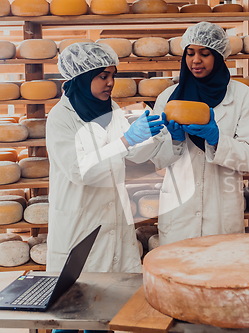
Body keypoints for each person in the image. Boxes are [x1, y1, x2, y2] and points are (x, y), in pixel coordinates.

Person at [45, 43, 164, 333]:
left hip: (113, 225)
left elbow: (133, 153)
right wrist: (125, 142)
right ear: (80, 79)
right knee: (70, 313)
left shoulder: (110, 109)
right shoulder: (61, 119)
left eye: (113, 74)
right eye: (102, 76)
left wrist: (157, 137)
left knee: (107, 312)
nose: (111, 82)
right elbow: (80, 169)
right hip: (79, 225)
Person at [151, 22, 249, 245]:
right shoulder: (168, 98)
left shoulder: (243, 97)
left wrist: (216, 140)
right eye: (190, 53)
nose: (195, 60)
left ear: (219, 56)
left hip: (221, 211)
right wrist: (173, 142)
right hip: (179, 211)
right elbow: (156, 157)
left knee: (221, 276)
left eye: (204, 54)